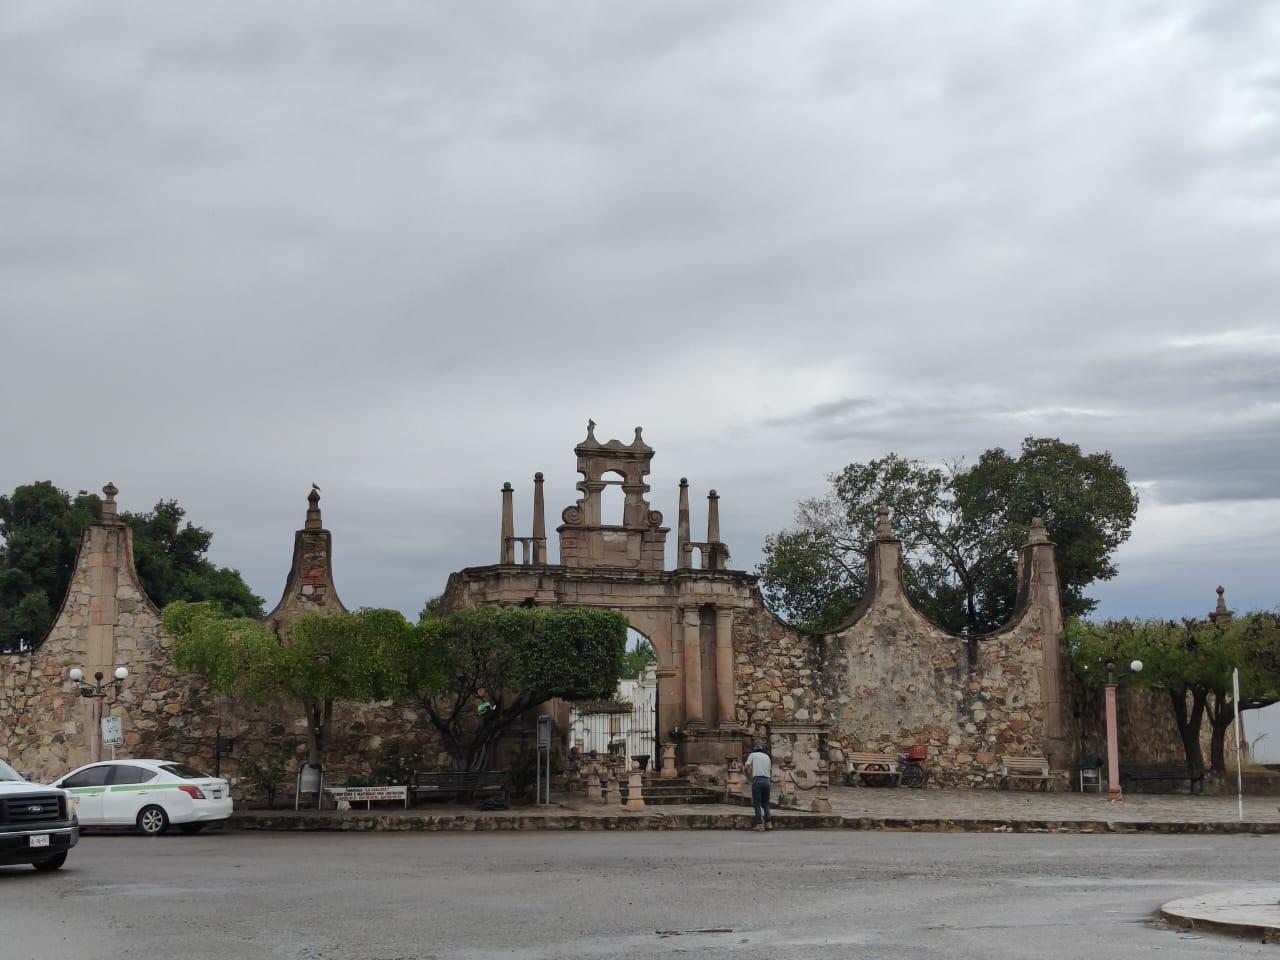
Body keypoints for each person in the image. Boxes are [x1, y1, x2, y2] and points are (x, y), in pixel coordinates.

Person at [744, 741, 773, 831]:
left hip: (757, 780)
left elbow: (746, 766)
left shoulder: (752, 755)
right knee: (766, 803)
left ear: (754, 749)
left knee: (757, 803)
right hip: (767, 781)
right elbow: (770, 770)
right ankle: (769, 823)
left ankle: (760, 824)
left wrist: (747, 776)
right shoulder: (767, 757)